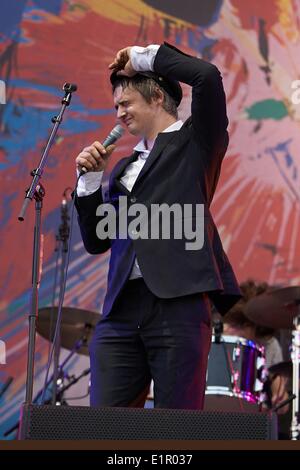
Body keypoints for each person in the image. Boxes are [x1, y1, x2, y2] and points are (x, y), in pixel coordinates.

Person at [74, 42, 241, 409]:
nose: (119, 114)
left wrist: (141, 56)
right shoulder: (122, 169)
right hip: (121, 311)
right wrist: (88, 184)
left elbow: (207, 76)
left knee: (175, 428)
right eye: (116, 106)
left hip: (178, 303)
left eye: (125, 103)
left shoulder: (197, 142)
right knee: (104, 426)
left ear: (156, 98)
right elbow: (97, 242)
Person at [222, 279, 289, 415]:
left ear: (254, 325)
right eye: (231, 325)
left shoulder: (269, 345)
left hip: (254, 419)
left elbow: (283, 406)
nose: (231, 330)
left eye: (239, 326)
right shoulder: (214, 339)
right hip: (213, 414)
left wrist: (280, 399)